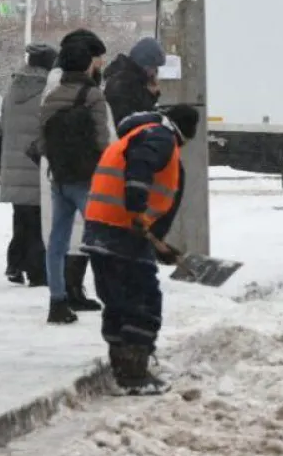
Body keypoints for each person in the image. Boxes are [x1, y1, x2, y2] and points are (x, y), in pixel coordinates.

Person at [81, 104, 201, 395]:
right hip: (122, 232)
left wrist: (158, 245)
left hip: (100, 229)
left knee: (117, 302)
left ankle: (123, 366)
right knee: (143, 302)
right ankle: (134, 373)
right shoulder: (160, 137)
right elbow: (141, 162)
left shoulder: (138, 132)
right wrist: (136, 206)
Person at [39, 30, 111, 324]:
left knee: (57, 242)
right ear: (86, 66)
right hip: (88, 179)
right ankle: (115, 297)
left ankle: (57, 301)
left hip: (60, 178)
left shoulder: (51, 97)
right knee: (101, 239)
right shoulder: (93, 95)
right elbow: (102, 141)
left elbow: (42, 142)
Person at [0, 42, 55, 286]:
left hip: (13, 164)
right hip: (34, 163)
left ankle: (15, 264)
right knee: (36, 222)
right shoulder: (46, 90)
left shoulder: (13, 88)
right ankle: (36, 271)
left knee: (21, 218)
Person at [103, 36, 165, 122]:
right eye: (153, 67)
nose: (155, 72)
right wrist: (150, 95)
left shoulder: (135, 79)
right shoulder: (123, 83)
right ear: (144, 65)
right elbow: (131, 119)